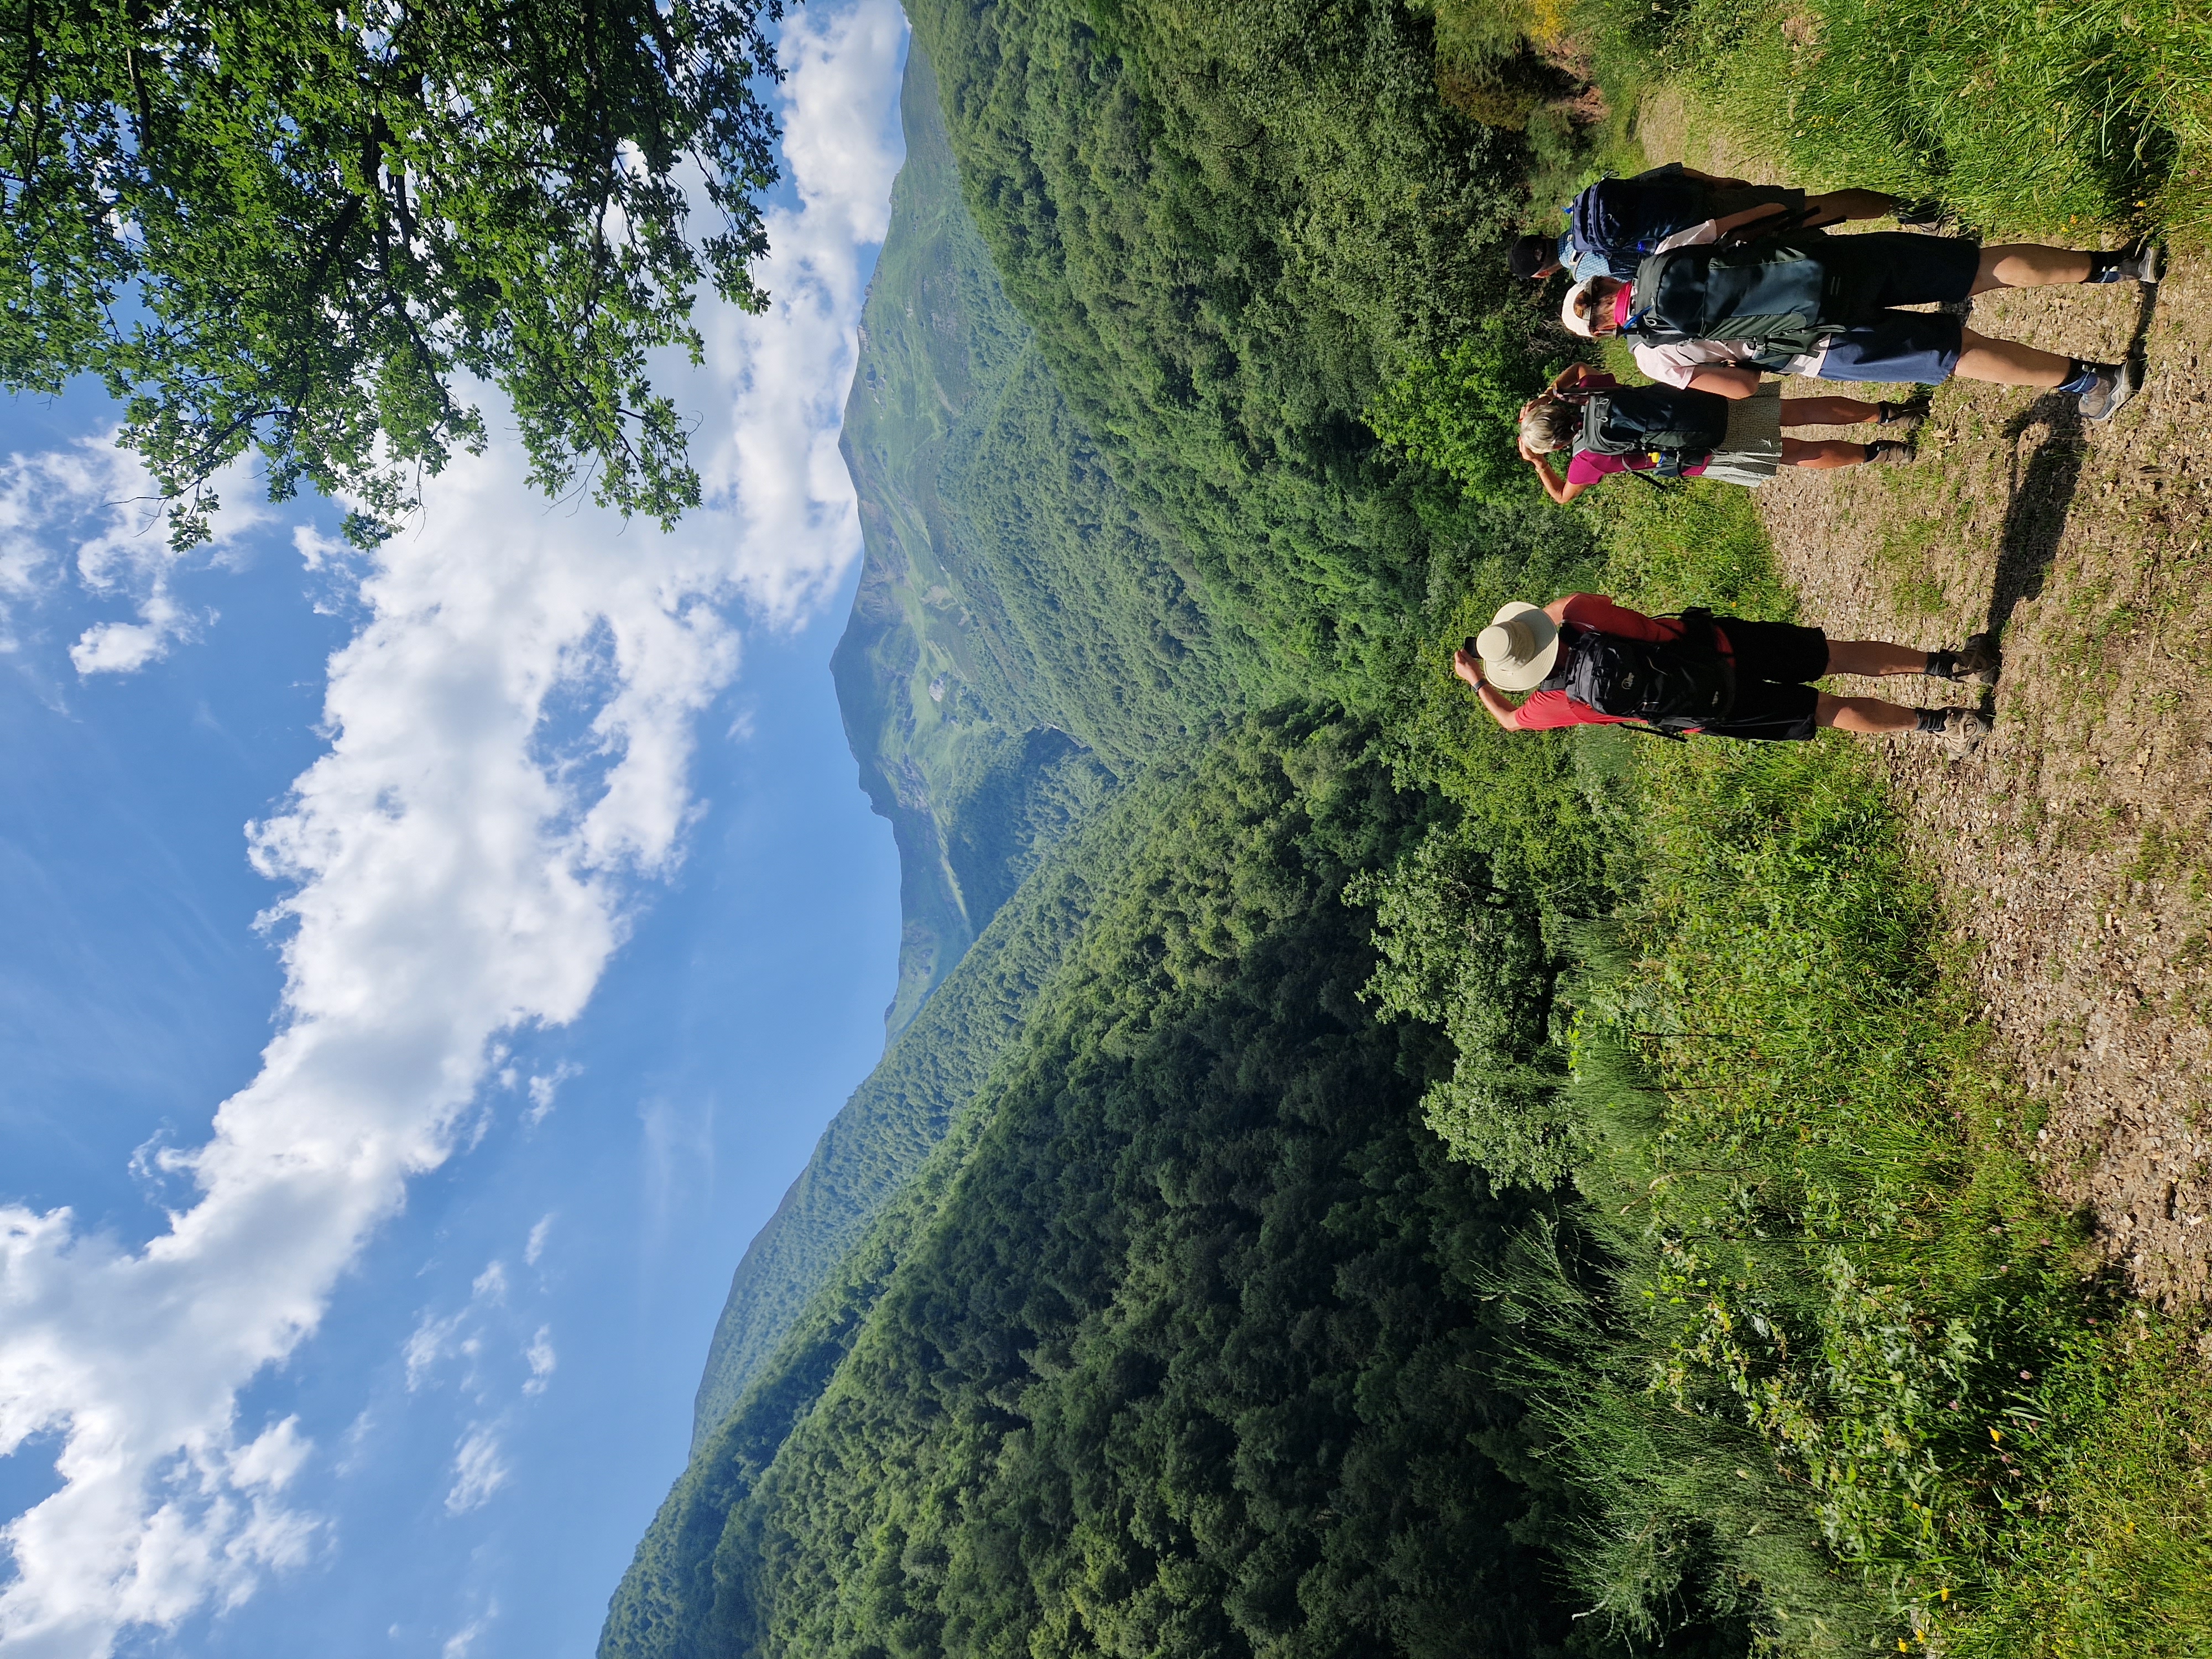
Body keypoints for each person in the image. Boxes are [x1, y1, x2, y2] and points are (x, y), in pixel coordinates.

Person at [1560, 207, 2162, 421]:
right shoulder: (1663, 255)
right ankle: (2124, 266)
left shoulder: (1653, 353)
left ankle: (2096, 380)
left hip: (1819, 343)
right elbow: (1756, 218)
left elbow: (1741, 389)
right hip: (1830, 263)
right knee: (1974, 266)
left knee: (1952, 351)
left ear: (1606, 330)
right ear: (1608, 281)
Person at [1454, 593, 2000, 755]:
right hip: (1720, 646)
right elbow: (1563, 614)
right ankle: (1958, 666)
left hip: (1706, 711)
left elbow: (1507, 721)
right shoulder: (1579, 611)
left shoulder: (1549, 705)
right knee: (1831, 655)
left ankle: (1946, 726)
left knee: (1822, 712)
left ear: (1519, 676)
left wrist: (1477, 680)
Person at [1514, 363, 1917, 502]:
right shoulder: (1585, 392)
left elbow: (1562, 497)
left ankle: (1881, 453)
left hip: (1700, 450)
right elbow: (1584, 366)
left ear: (1559, 445)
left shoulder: (1586, 460)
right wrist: (1549, 394)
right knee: (1794, 411)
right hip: (1699, 401)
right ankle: (1889, 413)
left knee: (1792, 453)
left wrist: (1537, 463)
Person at [1507, 161, 1933, 283]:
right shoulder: (1585, 203)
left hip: (1713, 247)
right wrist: (1715, 181)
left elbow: (1647, 271)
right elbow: (1661, 177)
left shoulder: (1587, 269)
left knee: (1812, 255)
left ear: (1544, 272)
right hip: (1709, 200)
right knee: (1810, 206)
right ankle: (1909, 208)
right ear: (1544, 235)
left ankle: (1910, 260)